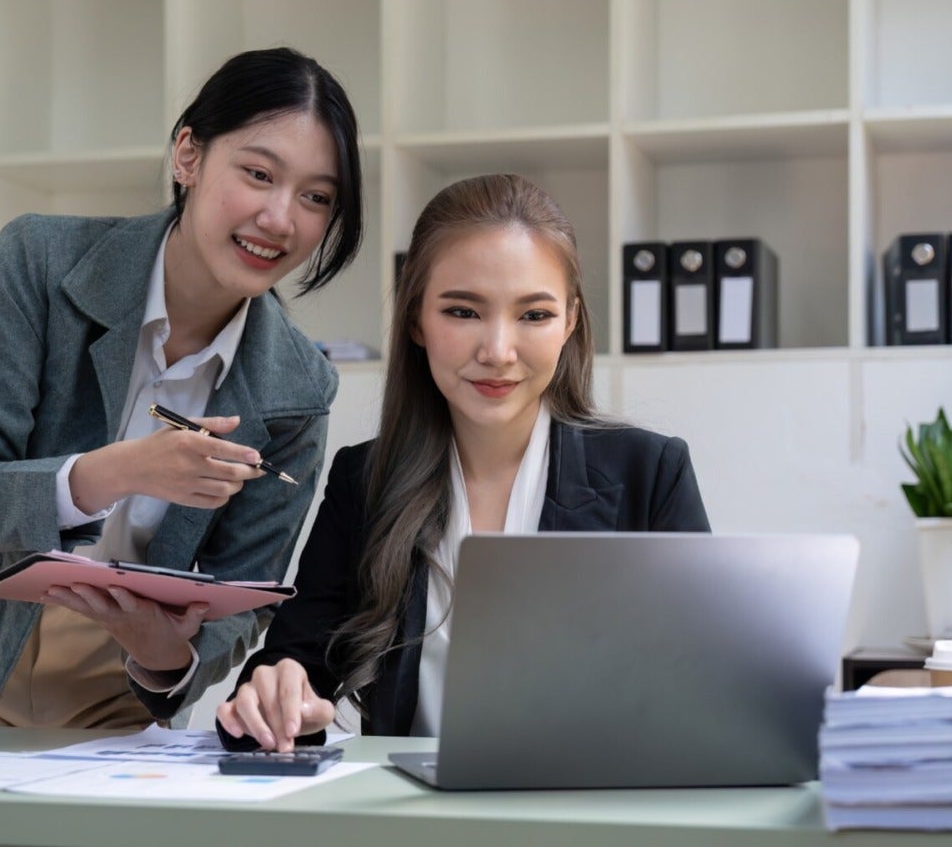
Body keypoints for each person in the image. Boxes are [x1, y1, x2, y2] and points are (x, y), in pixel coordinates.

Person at [0, 46, 364, 730]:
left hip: (112, 686)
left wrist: (169, 656)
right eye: (258, 173)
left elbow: (245, 598)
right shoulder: (38, 263)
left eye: (316, 196)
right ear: (187, 155)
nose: (282, 218)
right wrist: (119, 472)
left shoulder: (301, 386)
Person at [215, 173, 711, 751]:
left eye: (534, 316)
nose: (497, 352)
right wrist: (276, 694)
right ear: (416, 320)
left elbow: (710, 690)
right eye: (463, 311)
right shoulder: (365, 483)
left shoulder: (648, 473)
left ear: (571, 322)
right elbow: (286, 675)